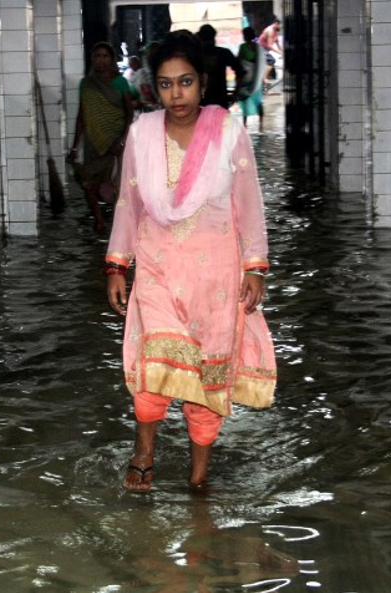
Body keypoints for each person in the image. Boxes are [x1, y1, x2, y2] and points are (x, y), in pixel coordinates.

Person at [104, 30, 277, 493]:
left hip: (215, 275)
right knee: (154, 361)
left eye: (185, 82)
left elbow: (248, 202)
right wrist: (118, 265)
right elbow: (128, 203)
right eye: (165, 84)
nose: (175, 94)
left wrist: (254, 267)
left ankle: (199, 476)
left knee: (207, 372)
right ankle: (144, 452)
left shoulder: (227, 131)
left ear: (202, 82)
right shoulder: (142, 132)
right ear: (153, 88)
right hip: (158, 266)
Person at [68, 42, 135, 233]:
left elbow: (129, 114)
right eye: (97, 56)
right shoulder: (87, 84)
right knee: (90, 185)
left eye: (105, 56)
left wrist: (122, 140)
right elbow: (82, 116)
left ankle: (119, 227)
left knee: (118, 187)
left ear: (112, 59)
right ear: (92, 60)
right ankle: (99, 221)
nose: (101, 60)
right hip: (93, 143)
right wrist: (74, 148)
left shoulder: (120, 83)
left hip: (117, 143)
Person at [196, 24, 243, 109]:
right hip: (221, 100)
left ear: (200, 38)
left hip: (201, 103)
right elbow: (240, 72)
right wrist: (234, 94)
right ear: (214, 37)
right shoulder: (224, 53)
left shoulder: (195, 56)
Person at [236, 26, 266, 130]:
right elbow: (262, 64)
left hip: (246, 78)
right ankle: (261, 124)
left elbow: (239, 63)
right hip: (256, 79)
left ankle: (245, 125)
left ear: (245, 36)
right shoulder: (259, 48)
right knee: (258, 101)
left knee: (245, 99)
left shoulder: (243, 47)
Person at [258, 18, 283, 90]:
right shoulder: (270, 30)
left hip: (265, 49)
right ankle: (264, 79)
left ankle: (264, 80)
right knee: (271, 60)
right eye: (280, 25)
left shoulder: (276, 30)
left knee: (270, 62)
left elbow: (277, 42)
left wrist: (282, 51)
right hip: (261, 48)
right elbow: (269, 45)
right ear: (276, 24)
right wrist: (279, 52)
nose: (281, 27)